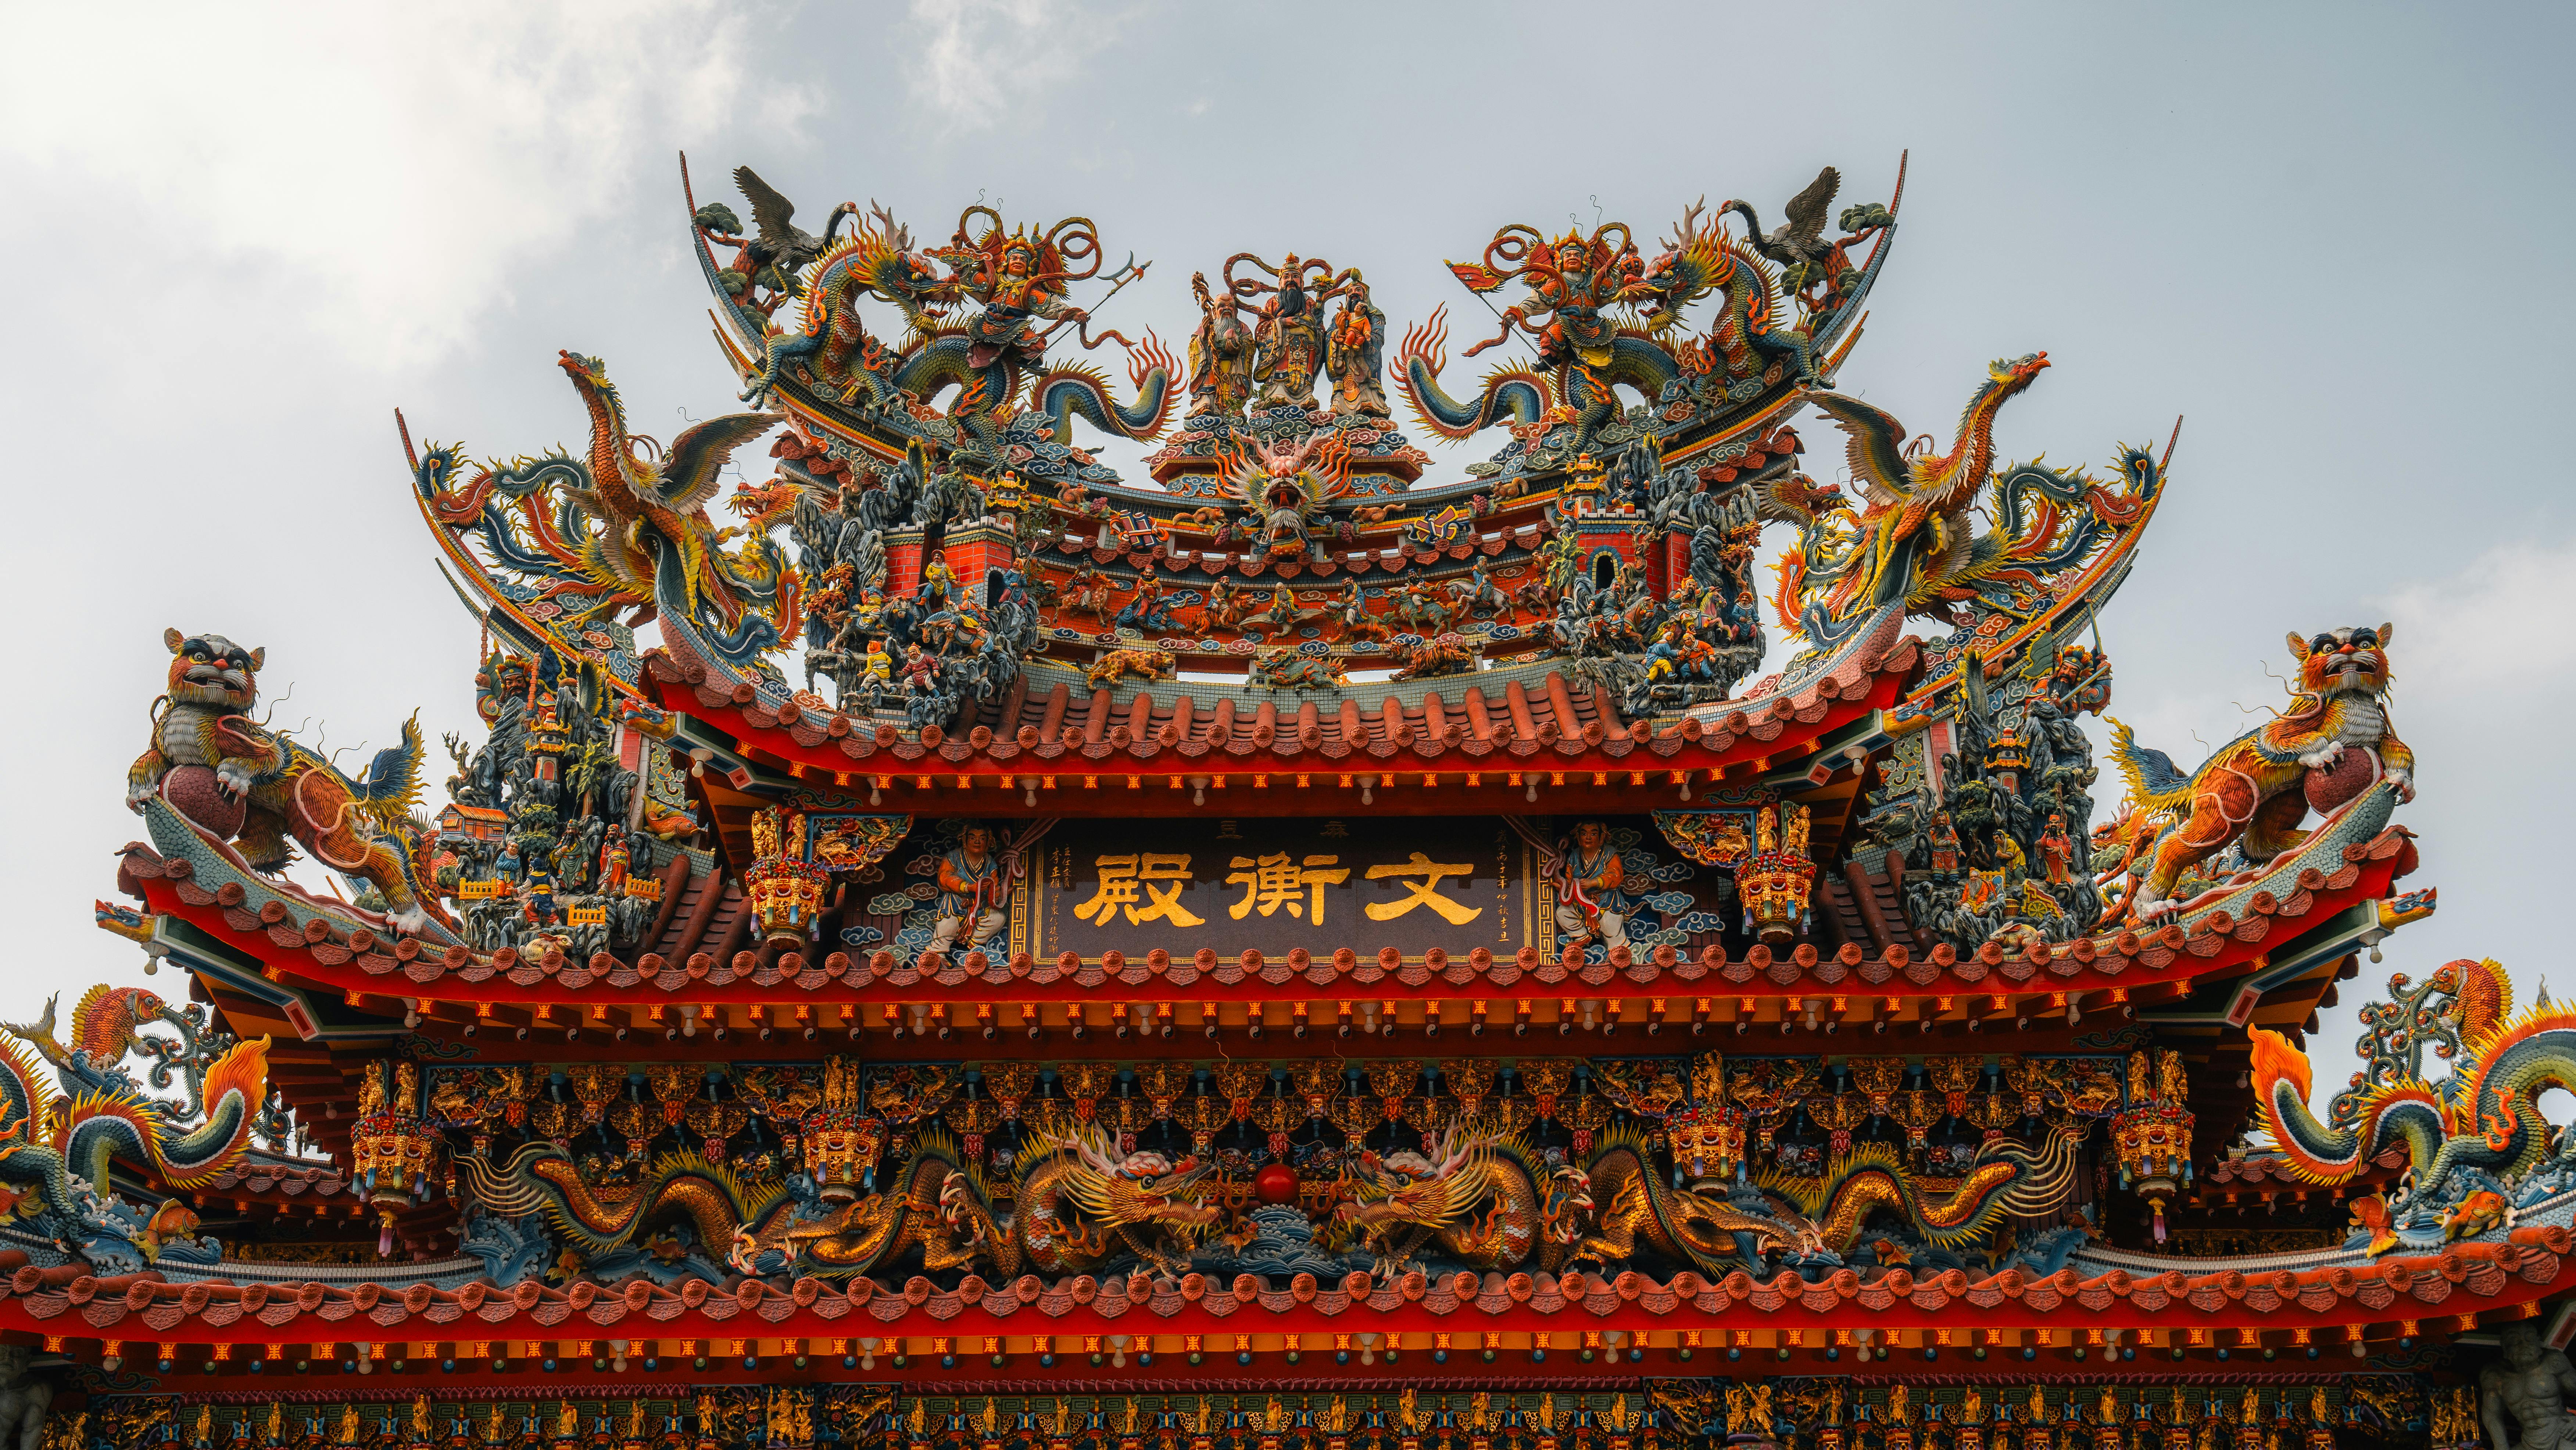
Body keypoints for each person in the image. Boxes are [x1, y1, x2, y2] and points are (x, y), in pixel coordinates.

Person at [928, 825, 1008, 954]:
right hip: (956, 901)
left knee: (998, 918)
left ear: (988, 842)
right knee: (948, 923)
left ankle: (975, 943)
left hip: (980, 905)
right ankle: (938, 952)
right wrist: (968, 887)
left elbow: (995, 885)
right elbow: (945, 878)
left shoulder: (990, 862)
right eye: (972, 838)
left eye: (982, 839)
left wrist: (998, 895)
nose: (977, 842)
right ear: (965, 841)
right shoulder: (953, 857)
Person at [1553, 820, 1628, 951]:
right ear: (1579, 837)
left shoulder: (1610, 852)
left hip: (1606, 900)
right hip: (1581, 902)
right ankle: (1581, 936)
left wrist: (1594, 882)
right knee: (1562, 912)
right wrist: (1565, 889)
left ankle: (1619, 951)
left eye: (1593, 834)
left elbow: (1616, 874)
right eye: (1584, 834)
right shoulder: (1575, 856)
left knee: (1609, 923)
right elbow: (1570, 880)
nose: (1588, 837)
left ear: (1601, 838)